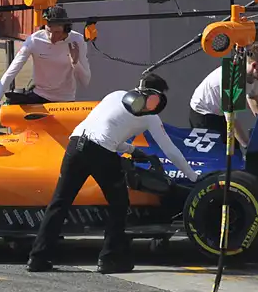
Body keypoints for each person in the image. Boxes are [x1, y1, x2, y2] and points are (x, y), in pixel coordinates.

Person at [26, 74, 199, 275]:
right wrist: (192, 176)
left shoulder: (115, 95)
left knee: (59, 202)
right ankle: (110, 258)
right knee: (119, 205)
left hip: (75, 145)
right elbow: (169, 150)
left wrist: (133, 150)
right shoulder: (151, 116)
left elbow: (106, 129)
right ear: (155, 97)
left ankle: (37, 258)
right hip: (101, 152)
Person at [0, 5, 91, 106]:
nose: (52, 37)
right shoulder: (34, 40)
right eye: (48, 31)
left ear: (66, 29)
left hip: (65, 99)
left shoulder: (78, 40)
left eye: (57, 32)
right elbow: (13, 70)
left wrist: (75, 63)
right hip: (39, 95)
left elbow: (85, 81)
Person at [189, 43, 258, 148]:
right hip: (204, 114)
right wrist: (248, 147)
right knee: (221, 154)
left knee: (234, 150)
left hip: (222, 114)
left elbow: (252, 96)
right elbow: (232, 122)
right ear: (255, 66)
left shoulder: (257, 75)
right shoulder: (233, 80)